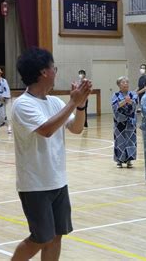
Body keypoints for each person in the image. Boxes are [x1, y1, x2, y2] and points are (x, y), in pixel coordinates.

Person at [11, 47, 92, 261]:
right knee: (40, 238)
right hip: (35, 185)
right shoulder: (23, 104)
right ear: (44, 72)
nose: (56, 72)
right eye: (53, 67)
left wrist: (81, 106)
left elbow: (76, 129)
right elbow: (46, 130)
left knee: (56, 236)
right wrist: (73, 102)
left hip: (58, 180)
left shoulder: (55, 102)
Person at [111, 76, 138, 168]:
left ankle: (129, 160)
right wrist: (124, 101)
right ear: (119, 85)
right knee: (120, 141)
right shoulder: (116, 95)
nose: (125, 83)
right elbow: (115, 106)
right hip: (119, 122)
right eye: (123, 82)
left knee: (131, 140)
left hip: (130, 122)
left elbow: (134, 104)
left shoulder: (133, 94)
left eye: (127, 82)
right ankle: (119, 160)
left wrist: (129, 101)